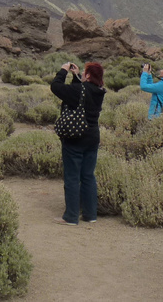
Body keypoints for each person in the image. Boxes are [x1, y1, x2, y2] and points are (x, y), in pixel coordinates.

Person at [51, 61, 106, 226]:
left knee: (72, 177)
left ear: (88, 75)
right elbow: (79, 97)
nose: (82, 73)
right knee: (88, 176)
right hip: (92, 138)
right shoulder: (99, 91)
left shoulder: (80, 90)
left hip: (75, 137)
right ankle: (90, 215)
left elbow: (56, 87)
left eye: (84, 72)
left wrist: (63, 71)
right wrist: (75, 77)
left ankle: (71, 216)